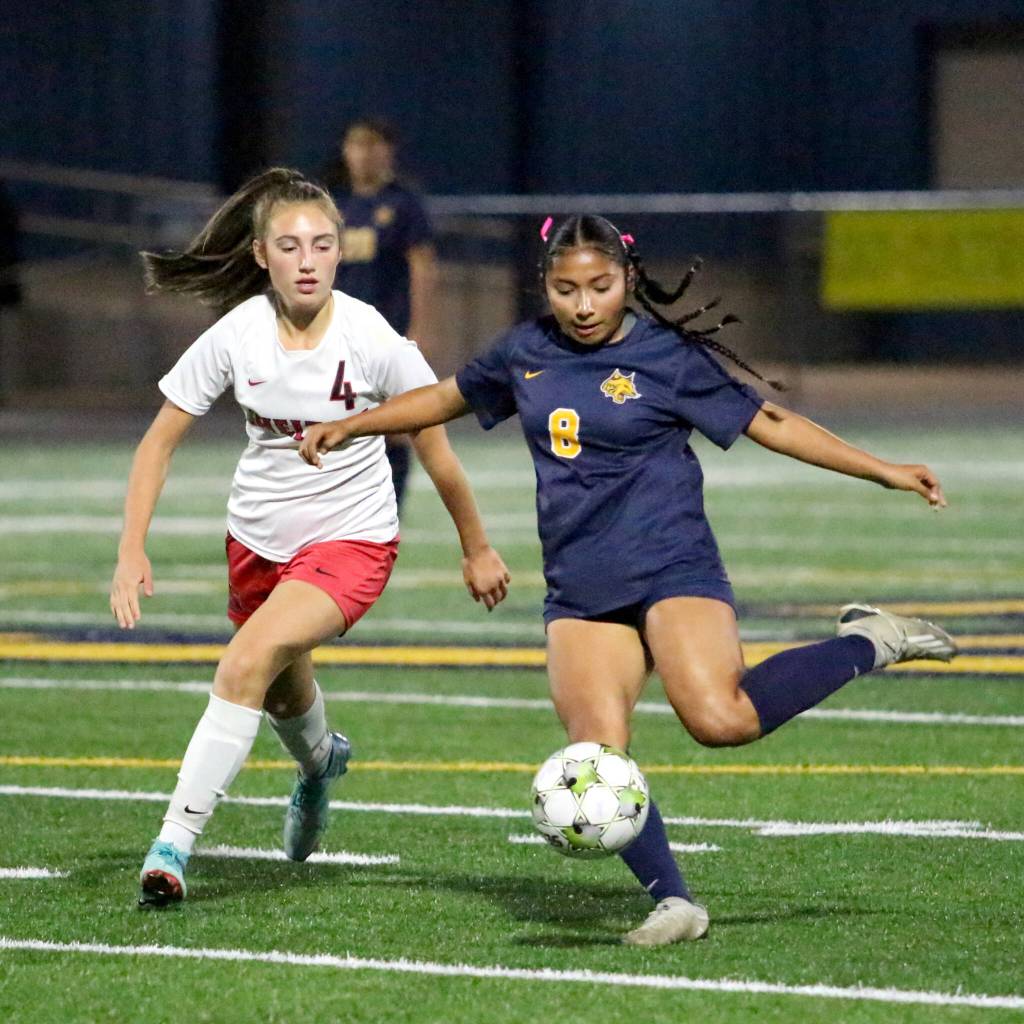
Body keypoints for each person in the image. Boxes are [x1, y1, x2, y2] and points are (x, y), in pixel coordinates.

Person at [298, 214, 958, 946]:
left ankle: (872, 639)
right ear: (545, 285)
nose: (583, 305)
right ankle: (676, 902)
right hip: (582, 588)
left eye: (600, 287)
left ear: (628, 281)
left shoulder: (666, 357)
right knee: (598, 759)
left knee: (722, 719)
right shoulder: (526, 351)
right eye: (566, 288)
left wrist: (884, 469)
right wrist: (354, 424)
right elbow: (446, 396)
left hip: (672, 564)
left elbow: (771, 421)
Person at [110, 167, 509, 909]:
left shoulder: (370, 338)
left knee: (245, 663)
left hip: (353, 539)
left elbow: (436, 450)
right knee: (283, 694)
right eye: (290, 246)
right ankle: (321, 765)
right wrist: (132, 547)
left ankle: (171, 848)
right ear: (262, 255)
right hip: (257, 542)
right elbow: (157, 444)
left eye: (322, 245)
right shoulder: (237, 334)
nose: (307, 260)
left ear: (339, 253)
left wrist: (475, 545)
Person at [328, 117, 439, 512]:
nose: (363, 154)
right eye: (356, 145)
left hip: (388, 332)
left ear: (387, 150)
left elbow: (422, 265)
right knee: (337, 419)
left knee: (394, 425)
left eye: (372, 145)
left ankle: (390, 509)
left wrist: (420, 327)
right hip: (338, 335)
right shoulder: (335, 205)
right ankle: (342, 509)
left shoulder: (403, 204)